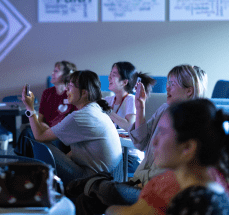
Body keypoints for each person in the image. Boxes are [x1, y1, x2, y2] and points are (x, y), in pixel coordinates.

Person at [69, 65, 208, 215]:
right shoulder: (164, 110)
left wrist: (148, 184)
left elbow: (178, 175)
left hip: (154, 189)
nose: (167, 88)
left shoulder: (193, 125)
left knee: (110, 190)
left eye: (172, 84)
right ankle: (93, 183)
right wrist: (140, 106)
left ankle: (92, 182)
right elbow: (141, 142)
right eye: (167, 83)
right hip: (138, 181)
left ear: (189, 90)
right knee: (86, 200)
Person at [106, 99, 229, 214]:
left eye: (163, 132)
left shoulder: (192, 203)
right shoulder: (206, 192)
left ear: (188, 148)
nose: (154, 141)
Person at [21, 70, 122, 186]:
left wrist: (29, 108)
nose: (66, 90)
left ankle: (30, 183)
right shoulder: (95, 109)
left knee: (34, 139)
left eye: (70, 87)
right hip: (105, 175)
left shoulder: (80, 116)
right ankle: (35, 181)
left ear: (84, 93)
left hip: (90, 178)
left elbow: (39, 136)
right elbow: (77, 152)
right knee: (40, 137)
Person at [14, 61, 77, 157]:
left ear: (66, 75)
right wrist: (44, 127)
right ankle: (24, 165)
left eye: (56, 71)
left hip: (62, 136)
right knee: (27, 133)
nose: (52, 73)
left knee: (30, 137)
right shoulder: (47, 93)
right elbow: (40, 120)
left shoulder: (72, 95)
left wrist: (53, 131)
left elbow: (74, 123)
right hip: (46, 131)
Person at [104, 61, 155, 174]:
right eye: (110, 73)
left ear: (124, 82)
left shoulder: (131, 99)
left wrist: (109, 112)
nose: (109, 77)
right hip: (114, 152)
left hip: (130, 157)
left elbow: (129, 126)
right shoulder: (108, 100)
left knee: (101, 166)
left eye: (113, 74)